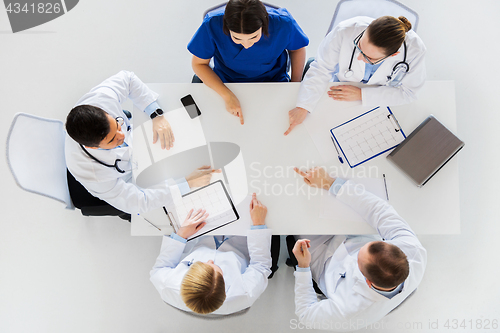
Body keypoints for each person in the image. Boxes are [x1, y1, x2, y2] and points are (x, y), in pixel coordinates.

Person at [65, 70, 218, 217]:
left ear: (105, 112)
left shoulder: (100, 99)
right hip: (130, 178)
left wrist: (156, 114)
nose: (122, 135)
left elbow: (128, 79)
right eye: (112, 140)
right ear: (92, 147)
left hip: (145, 150)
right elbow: (138, 203)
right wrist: (187, 183)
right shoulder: (94, 175)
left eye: (117, 124)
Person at [291, 167, 427, 331]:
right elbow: (380, 211)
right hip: (354, 234)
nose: (355, 253)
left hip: (321, 259)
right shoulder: (413, 252)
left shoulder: (347, 313)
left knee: (294, 212)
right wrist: (330, 183)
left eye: (358, 258)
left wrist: (303, 267)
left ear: (367, 281)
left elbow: (306, 314)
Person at [285, 15, 426, 135]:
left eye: (368, 57)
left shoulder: (415, 50)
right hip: (337, 91)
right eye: (359, 45)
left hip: (378, 103)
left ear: (393, 55)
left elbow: (410, 92)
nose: (359, 57)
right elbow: (321, 68)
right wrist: (304, 105)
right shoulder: (345, 30)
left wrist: (362, 95)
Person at [188, 0, 309, 124]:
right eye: (237, 38)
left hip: (273, 81)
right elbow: (199, 64)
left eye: (254, 37)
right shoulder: (212, 24)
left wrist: (295, 87)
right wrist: (227, 95)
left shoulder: (283, 24)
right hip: (227, 83)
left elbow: (297, 49)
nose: (247, 45)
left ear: (265, 24)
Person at [150, 193, 272, 315]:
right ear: (225, 285)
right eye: (219, 269)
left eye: (199, 264)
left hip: (202, 235)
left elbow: (161, 266)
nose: (210, 261)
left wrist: (181, 234)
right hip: (240, 242)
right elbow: (260, 266)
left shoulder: (166, 286)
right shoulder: (244, 294)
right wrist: (258, 225)